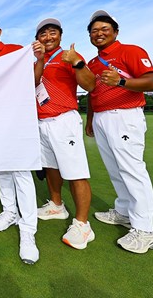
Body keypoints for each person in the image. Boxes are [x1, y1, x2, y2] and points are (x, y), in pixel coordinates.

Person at [84, 9, 153, 254]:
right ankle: (124, 211)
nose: (99, 34)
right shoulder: (93, 63)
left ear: (115, 32)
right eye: (94, 31)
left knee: (132, 170)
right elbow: (93, 93)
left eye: (105, 29)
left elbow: (151, 82)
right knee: (115, 170)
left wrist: (121, 81)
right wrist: (90, 120)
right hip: (102, 118)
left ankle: (145, 231)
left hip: (125, 116)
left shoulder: (131, 51)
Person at [0, 18, 40, 264]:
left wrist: (40, 58)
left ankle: (28, 231)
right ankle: (9, 212)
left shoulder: (16, 51)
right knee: (2, 170)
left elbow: (34, 78)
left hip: (17, 120)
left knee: (22, 173)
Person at [32, 18, 96, 249]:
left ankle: (82, 224)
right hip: (42, 120)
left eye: (52, 33)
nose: (48, 37)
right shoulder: (38, 60)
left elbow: (90, 85)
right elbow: (33, 83)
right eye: (43, 34)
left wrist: (78, 62)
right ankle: (57, 205)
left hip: (63, 119)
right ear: (37, 38)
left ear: (60, 35)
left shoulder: (69, 57)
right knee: (51, 166)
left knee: (75, 171)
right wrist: (39, 61)